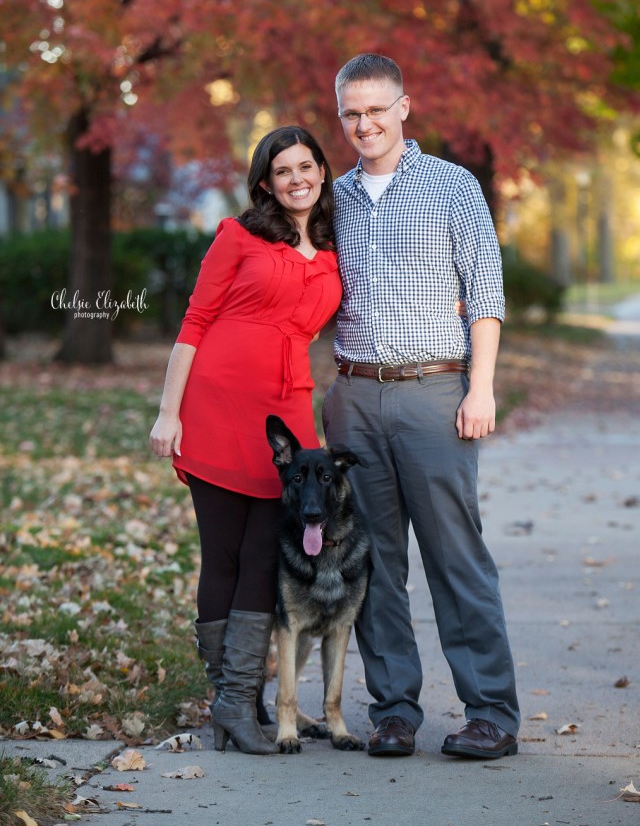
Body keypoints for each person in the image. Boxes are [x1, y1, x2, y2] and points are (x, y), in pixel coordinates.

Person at [322, 53, 520, 759]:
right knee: (371, 562)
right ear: (341, 114)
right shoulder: (331, 199)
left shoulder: (452, 186)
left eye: (377, 109)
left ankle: (491, 712)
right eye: (352, 112)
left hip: (436, 393)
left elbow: (487, 295)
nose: (365, 123)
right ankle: (394, 710)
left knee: (454, 556)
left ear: (404, 107)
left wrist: (482, 388)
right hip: (353, 396)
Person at [149, 125, 341, 755]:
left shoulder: (338, 248)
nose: (297, 179)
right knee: (224, 555)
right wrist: (168, 413)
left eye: (306, 166)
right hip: (219, 402)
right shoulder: (239, 235)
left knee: (268, 558)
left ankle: (238, 703)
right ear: (265, 182)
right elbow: (195, 321)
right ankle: (232, 704)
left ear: (321, 171)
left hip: (287, 409)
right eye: (283, 170)